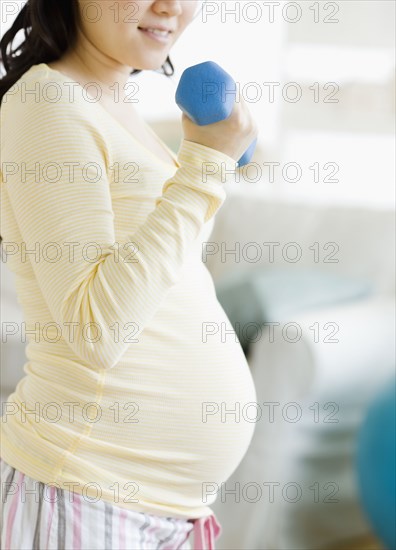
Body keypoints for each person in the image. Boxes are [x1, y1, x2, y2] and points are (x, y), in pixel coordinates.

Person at [0, 1, 258, 548]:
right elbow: (97, 327)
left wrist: (204, 161)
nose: (172, 7)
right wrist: (206, 165)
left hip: (161, 510)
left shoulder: (116, 106)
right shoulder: (46, 101)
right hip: (86, 493)